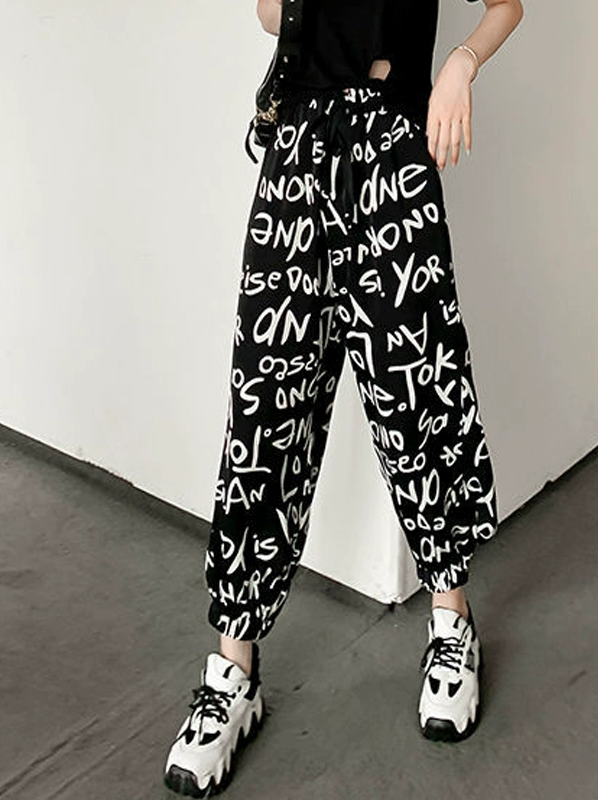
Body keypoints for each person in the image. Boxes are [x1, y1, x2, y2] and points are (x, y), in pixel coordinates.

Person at [164, 0, 523, 794]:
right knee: (267, 408)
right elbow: (273, 18)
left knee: (418, 393)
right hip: (295, 155)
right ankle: (233, 672)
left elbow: (508, 5)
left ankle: (452, 620)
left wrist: (460, 63)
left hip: (391, 154)